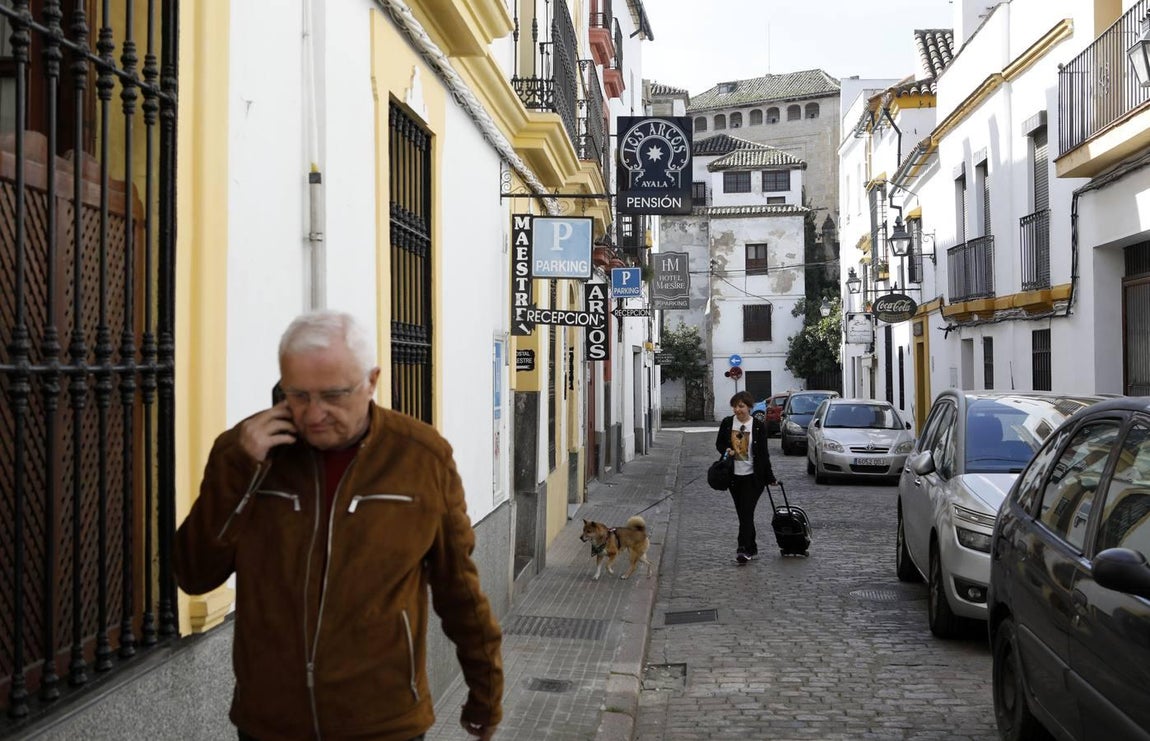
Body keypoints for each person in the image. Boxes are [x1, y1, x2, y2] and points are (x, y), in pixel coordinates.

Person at [174, 310, 502, 741]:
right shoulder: (245, 454)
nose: (313, 414)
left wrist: (486, 691)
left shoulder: (421, 458)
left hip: (385, 724)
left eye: (333, 395)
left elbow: (458, 589)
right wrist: (238, 469)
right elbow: (194, 575)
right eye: (297, 395)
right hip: (270, 724)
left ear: (371, 381)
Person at [715, 390, 778, 563]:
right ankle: (752, 547)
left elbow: (764, 454)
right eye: (735, 406)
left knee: (747, 512)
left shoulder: (757, 425)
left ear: (749, 407)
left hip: (754, 477)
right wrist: (726, 450)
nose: (737, 410)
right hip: (734, 476)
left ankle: (742, 549)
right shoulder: (728, 423)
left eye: (741, 406)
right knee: (743, 514)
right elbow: (719, 443)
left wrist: (770, 476)